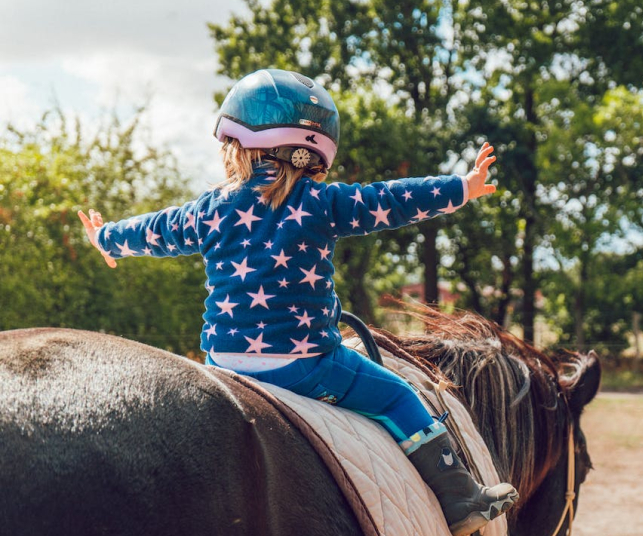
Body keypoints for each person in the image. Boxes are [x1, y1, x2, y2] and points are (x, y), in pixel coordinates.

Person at [79, 68, 517, 535]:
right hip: (305, 365)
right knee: (397, 395)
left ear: (235, 145)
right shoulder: (321, 202)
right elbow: (391, 199)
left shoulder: (210, 207)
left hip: (222, 364)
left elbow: (158, 230)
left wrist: (107, 238)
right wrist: (462, 188)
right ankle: (461, 499)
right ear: (314, 153)